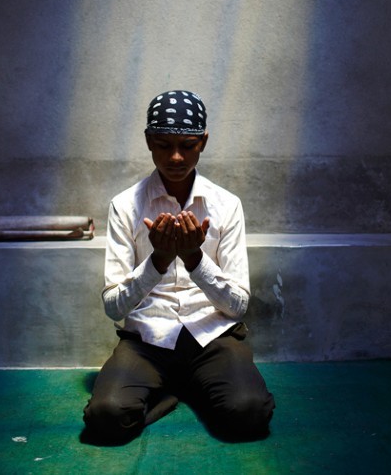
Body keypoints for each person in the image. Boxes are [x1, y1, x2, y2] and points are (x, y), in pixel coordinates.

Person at [82, 90, 275, 445]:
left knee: (250, 414)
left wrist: (194, 259)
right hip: (147, 339)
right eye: (163, 144)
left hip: (211, 336)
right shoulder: (126, 206)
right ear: (148, 142)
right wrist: (157, 260)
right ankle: (178, 391)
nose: (175, 156)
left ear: (202, 142)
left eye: (187, 145)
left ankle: (182, 385)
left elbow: (237, 307)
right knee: (105, 418)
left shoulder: (226, 206)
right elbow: (114, 307)